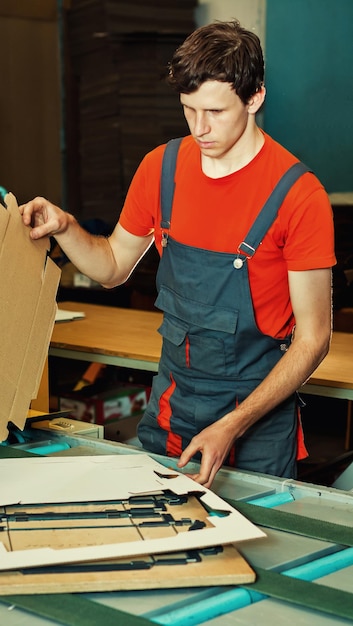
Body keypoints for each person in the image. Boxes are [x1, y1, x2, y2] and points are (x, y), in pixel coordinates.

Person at [20, 20, 335, 488]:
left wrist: (232, 425)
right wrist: (65, 227)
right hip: (171, 414)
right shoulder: (160, 168)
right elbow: (111, 267)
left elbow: (314, 339)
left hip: (256, 431)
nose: (199, 128)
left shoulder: (299, 196)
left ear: (255, 98)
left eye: (214, 111)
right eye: (188, 109)